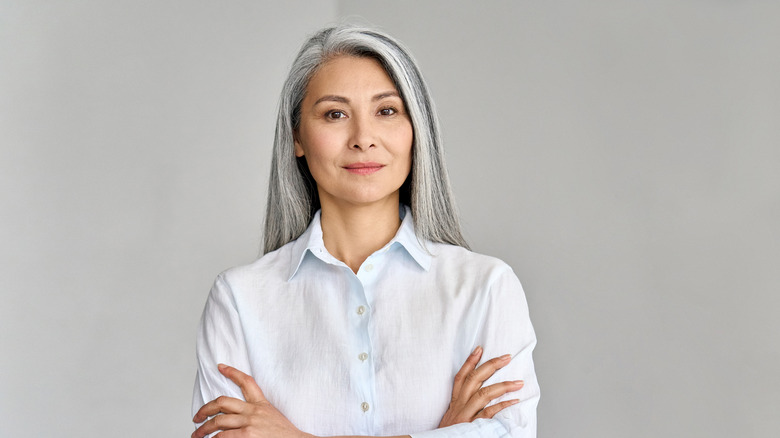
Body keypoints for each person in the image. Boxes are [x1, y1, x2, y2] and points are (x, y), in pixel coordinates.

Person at [191, 25, 539, 438]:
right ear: (296, 137)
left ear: (416, 130)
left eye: (387, 111)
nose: (363, 139)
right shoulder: (239, 300)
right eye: (335, 114)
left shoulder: (486, 288)